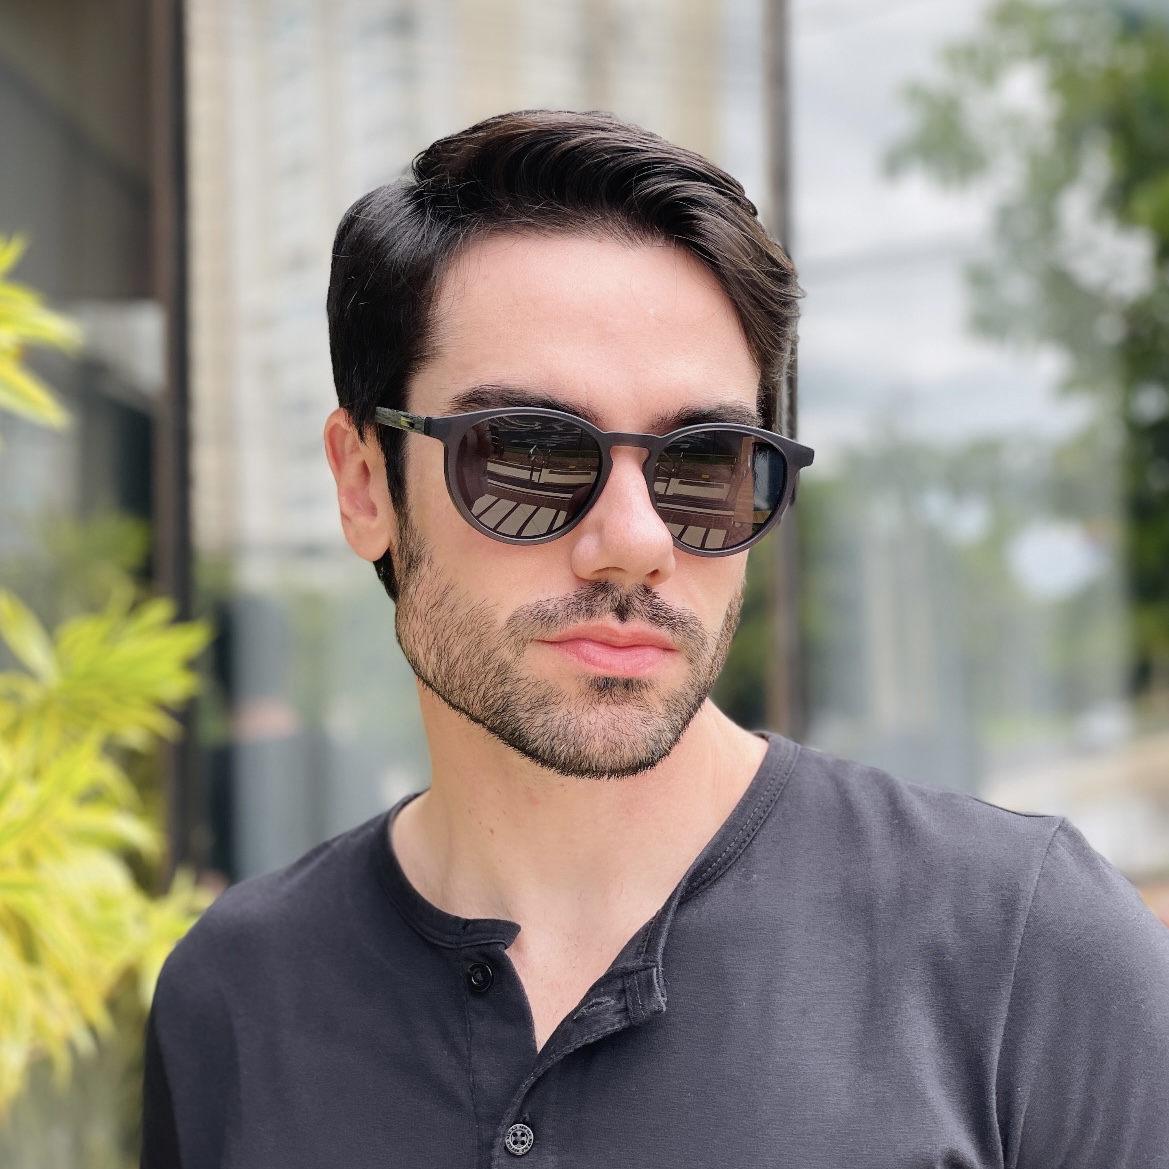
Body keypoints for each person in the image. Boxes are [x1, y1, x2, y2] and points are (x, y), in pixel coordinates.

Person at [142, 110, 1169, 1169]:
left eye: (702, 463)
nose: (634, 542)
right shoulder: (233, 1000)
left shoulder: (1027, 955)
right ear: (365, 483)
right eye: (531, 453)